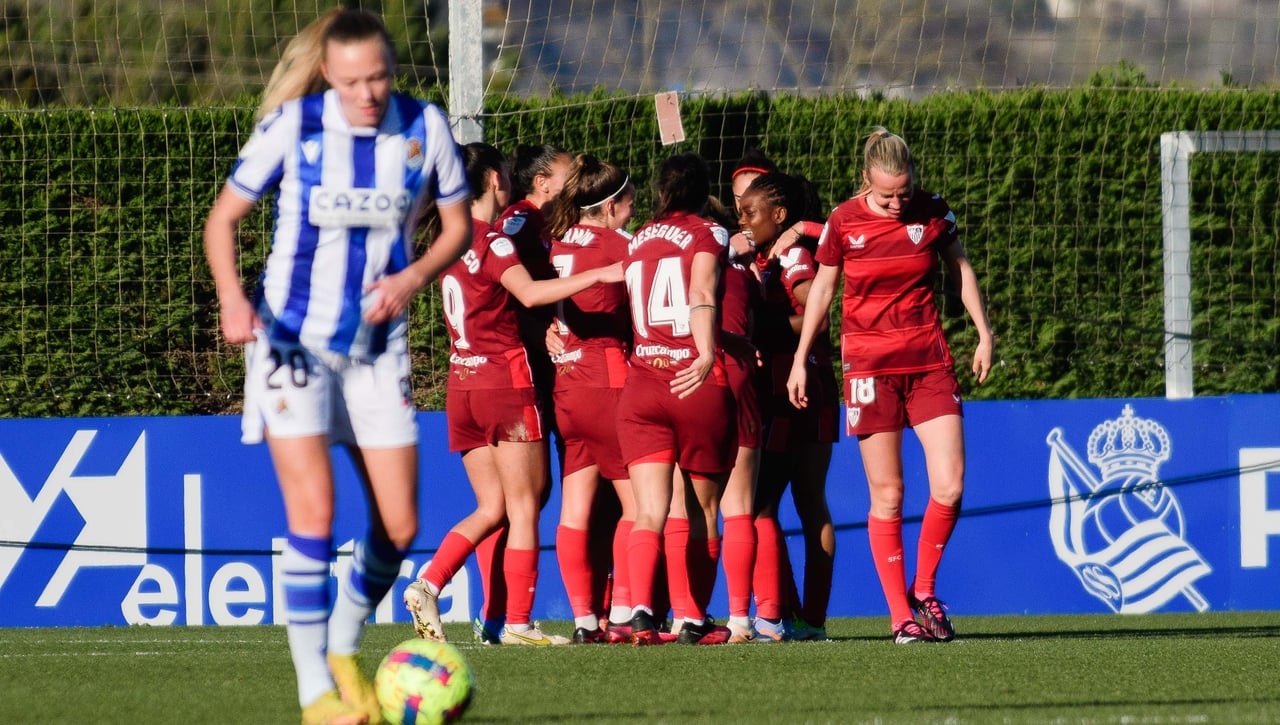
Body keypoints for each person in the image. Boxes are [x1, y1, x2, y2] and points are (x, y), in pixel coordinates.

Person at [203, 8, 471, 725]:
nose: (368, 94)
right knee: (314, 512)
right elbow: (222, 218)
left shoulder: (425, 127)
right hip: (290, 342)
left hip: (376, 351)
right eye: (352, 81)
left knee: (400, 521)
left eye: (379, 76)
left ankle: (342, 647)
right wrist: (233, 299)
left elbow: (458, 226)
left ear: (392, 66)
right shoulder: (294, 127)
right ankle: (314, 694)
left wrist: (412, 279)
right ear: (328, 73)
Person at [402, 144, 623, 647]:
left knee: (493, 507)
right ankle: (517, 623)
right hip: (506, 382)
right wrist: (598, 274)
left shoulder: (447, 240)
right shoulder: (495, 241)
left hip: (463, 382)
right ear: (496, 182)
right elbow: (530, 293)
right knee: (524, 507)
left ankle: (429, 583)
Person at [786, 127, 994, 644]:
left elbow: (961, 270)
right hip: (869, 370)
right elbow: (824, 290)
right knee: (890, 493)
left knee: (950, 483)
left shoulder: (932, 212)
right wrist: (799, 359)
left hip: (928, 364)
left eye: (904, 191)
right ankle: (900, 614)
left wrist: (984, 335)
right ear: (865, 182)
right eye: (886, 195)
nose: (897, 202)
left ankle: (924, 592)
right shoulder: (842, 220)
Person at [619, 152, 737, 646]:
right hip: (691, 379)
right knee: (702, 510)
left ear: (660, 191)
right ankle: (692, 617)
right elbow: (702, 291)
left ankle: (640, 613)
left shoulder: (637, 240)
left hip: (641, 384)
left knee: (650, 509)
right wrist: (708, 352)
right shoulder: (711, 233)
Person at [465, 143, 574, 643]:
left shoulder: (550, 224)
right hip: (519, 377)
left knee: (525, 498)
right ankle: (504, 615)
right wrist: (541, 333)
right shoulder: (512, 227)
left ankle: (498, 615)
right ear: (543, 181)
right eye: (569, 172)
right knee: (522, 500)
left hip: (513, 377)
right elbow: (512, 299)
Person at [739, 172, 839, 641]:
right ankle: (806, 618)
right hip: (808, 388)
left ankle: (778, 617)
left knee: (763, 505)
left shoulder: (791, 255)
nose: (743, 221)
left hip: (792, 391)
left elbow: (811, 314)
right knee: (802, 502)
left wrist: (761, 326)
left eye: (750, 213)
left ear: (779, 216)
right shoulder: (769, 254)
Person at [543, 154, 636, 643]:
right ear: (613, 205)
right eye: (631, 201)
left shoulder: (555, 244)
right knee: (640, 507)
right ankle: (622, 614)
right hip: (608, 380)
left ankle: (583, 620)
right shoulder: (622, 246)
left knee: (574, 510)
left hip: (568, 386)